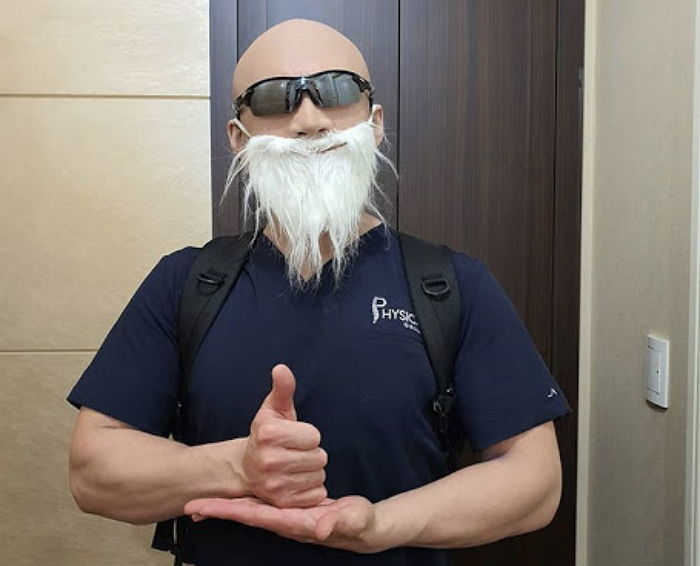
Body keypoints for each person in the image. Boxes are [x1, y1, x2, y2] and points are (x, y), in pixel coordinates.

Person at [67, 18, 572, 566]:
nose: (309, 121)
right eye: (274, 98)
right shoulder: (184, 283)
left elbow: (535, 482)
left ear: (375, 123)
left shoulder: (453, 286)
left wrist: (379, 525)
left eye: (336, 90)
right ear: (238, 138)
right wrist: (239, 467)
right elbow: (93, 472)